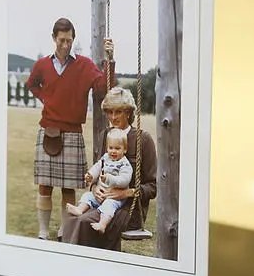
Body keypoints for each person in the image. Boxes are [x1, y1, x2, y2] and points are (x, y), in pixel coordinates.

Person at [26, 17, 115, 241]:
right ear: (54, 38)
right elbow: (31, 84)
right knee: (45, 186)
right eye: (61, 40)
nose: (65, 45)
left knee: (68, 189)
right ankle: (43, 233)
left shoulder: (84, 65)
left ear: (73, 39)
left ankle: (65, 232)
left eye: (69, 40)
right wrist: (46, 97)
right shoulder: (43, 65)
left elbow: (103, 87)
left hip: (73, 132)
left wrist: (109, 60)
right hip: (48, 130)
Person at [60, 87, 157, 251]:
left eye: (118, 112)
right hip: (101, 200)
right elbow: (99, 170)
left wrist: (126, 192)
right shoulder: (105, 135)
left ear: (128, 112)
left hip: (127, 208)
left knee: (84, 223)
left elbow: (153, 187)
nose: (113, 117)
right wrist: (94, 187)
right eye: (109, 112)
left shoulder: (143, 139)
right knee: (70, 219)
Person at [66, 128, 132, 233]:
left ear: (124, 149)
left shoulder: (124, 164)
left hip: (115, 197)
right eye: (111, 148)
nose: (113, 151)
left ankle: (102, 224)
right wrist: (90, 175)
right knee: (87, 196)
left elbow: (125, 180)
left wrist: (110, 179)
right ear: (107, 148)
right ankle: (80, 209)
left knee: (108, 206)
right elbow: (97, 167)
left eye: (117, 148)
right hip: (100, 193)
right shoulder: (105, 158)